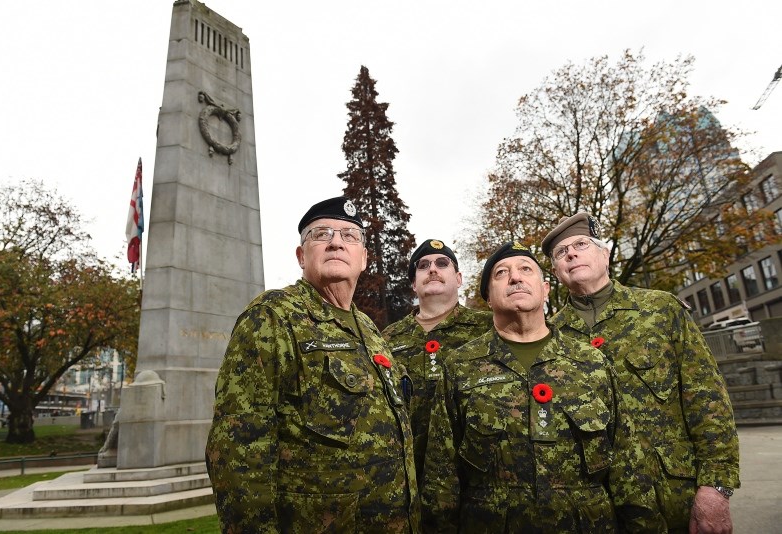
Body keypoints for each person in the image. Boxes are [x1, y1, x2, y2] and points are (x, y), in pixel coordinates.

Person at [206, 196, 420, 533]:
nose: (336, 242)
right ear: (301, 255)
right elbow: (238, 449)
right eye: (321, 234)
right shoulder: (273, 316)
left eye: (350, 236)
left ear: (363, 259)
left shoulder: (368, 329)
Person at [421, 241, 663, 533]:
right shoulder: (460, 367)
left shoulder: (591, 362)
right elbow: (441, 478)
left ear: (545, 288)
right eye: (501, 273)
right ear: (487, 297)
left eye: (526, 269)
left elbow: (629, 469)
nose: (515, 277)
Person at [541, 212, 740, 534]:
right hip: (591, 508)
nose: (572, 254)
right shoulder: (549, 335)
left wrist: (716, 486)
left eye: (580, 244)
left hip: (673, 496)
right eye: (561, 253)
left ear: (605, 254)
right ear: (555, 271)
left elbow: (707, 398)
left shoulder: (661, 309)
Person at [383, 239, 493, 482]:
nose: (432, 269)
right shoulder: (387, 339)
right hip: (405, 476)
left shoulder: (488, 329)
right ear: (413, 284)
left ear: (459, 278)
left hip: (475, 476)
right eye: (423, 266)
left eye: (442, 263)